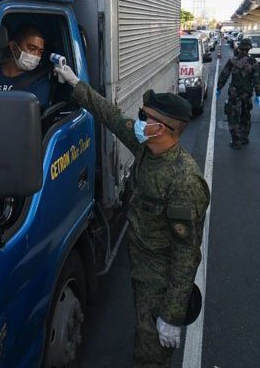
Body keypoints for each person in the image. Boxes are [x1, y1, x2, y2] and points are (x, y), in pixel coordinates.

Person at [54, 63, 210, 367]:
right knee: (143, 339)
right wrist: (75, 82)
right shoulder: (147, 147)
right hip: (142, 268)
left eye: (144, 117)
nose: (137, 122)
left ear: (160, 128)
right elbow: (111, 117)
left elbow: (186, 254)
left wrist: (171, 316)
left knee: (149, 355)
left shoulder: (183, 181)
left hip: (161, 283)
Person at [216, 38, 260, 149]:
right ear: (249, 49)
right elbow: (257, 79)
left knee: (233, 118)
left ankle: (236, 141)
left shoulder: (232, 61)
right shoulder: (253, 62)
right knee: (245, 116)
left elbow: (224, 75)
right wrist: (258, 94)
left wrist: (218, 88)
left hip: (234, 95)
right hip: (247, 95)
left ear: (240, 48)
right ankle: (244, 138)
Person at [0, 24, 51, 108]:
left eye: (40, 52)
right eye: (31, 48)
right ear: (13, 47)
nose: (36, 55)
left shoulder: (39, 83)